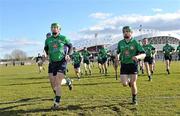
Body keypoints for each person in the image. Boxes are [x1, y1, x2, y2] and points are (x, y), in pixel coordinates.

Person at [44, 23, 73, 109]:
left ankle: (56, 103)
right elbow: (46, 48)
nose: (54, 29)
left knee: (57, 82)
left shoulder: (63, 38)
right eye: (52, 27)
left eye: (56, 27)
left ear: (59, 29)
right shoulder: (48, 40)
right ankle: (67, 82)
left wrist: (68, 55)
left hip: (62, 62)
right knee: (53, 84)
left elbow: (70, 46)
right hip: (52, 63)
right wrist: (47, 55)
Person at [116, 26, 146, 105]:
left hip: (133, 65)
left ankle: (134, 99)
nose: (125, 33)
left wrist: (137, 57)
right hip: (124, 65)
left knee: (133, 83)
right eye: (124, 32)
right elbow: (118, 52)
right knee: (124, 84)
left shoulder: (135, 42)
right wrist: (117, 57)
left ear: (131, 32)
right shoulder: (120, 43)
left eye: (127, 31)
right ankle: (129, 83)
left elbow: (144, 54)